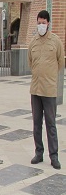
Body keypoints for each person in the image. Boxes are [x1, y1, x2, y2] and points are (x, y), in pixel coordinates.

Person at [28, 10, 64, 170]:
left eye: (43, 23)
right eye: (39, 23)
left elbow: (60, 62)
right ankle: (39, 153)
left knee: (51, 124)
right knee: (36, 124)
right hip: (35, 89)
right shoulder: (33, 42)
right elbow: (30, 62)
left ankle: (54, 156)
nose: (41, 25)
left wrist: (49, 75)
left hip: (49, 90)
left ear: (48, 23)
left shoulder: (55, 41)